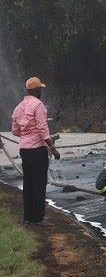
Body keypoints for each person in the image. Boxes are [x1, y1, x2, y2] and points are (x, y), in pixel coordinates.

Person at [11, 77, 61, 227]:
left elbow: (14, 130)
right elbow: (43, 129)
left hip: (24, 150)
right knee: (39, 184)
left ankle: (27, 217)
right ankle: (38, 218)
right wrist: (53, 148)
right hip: (38, 150)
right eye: (40, 89)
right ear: (36, 90)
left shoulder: (19, 107)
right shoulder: (38, 105)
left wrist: (26, 136)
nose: (41, 91)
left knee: (28, 183)